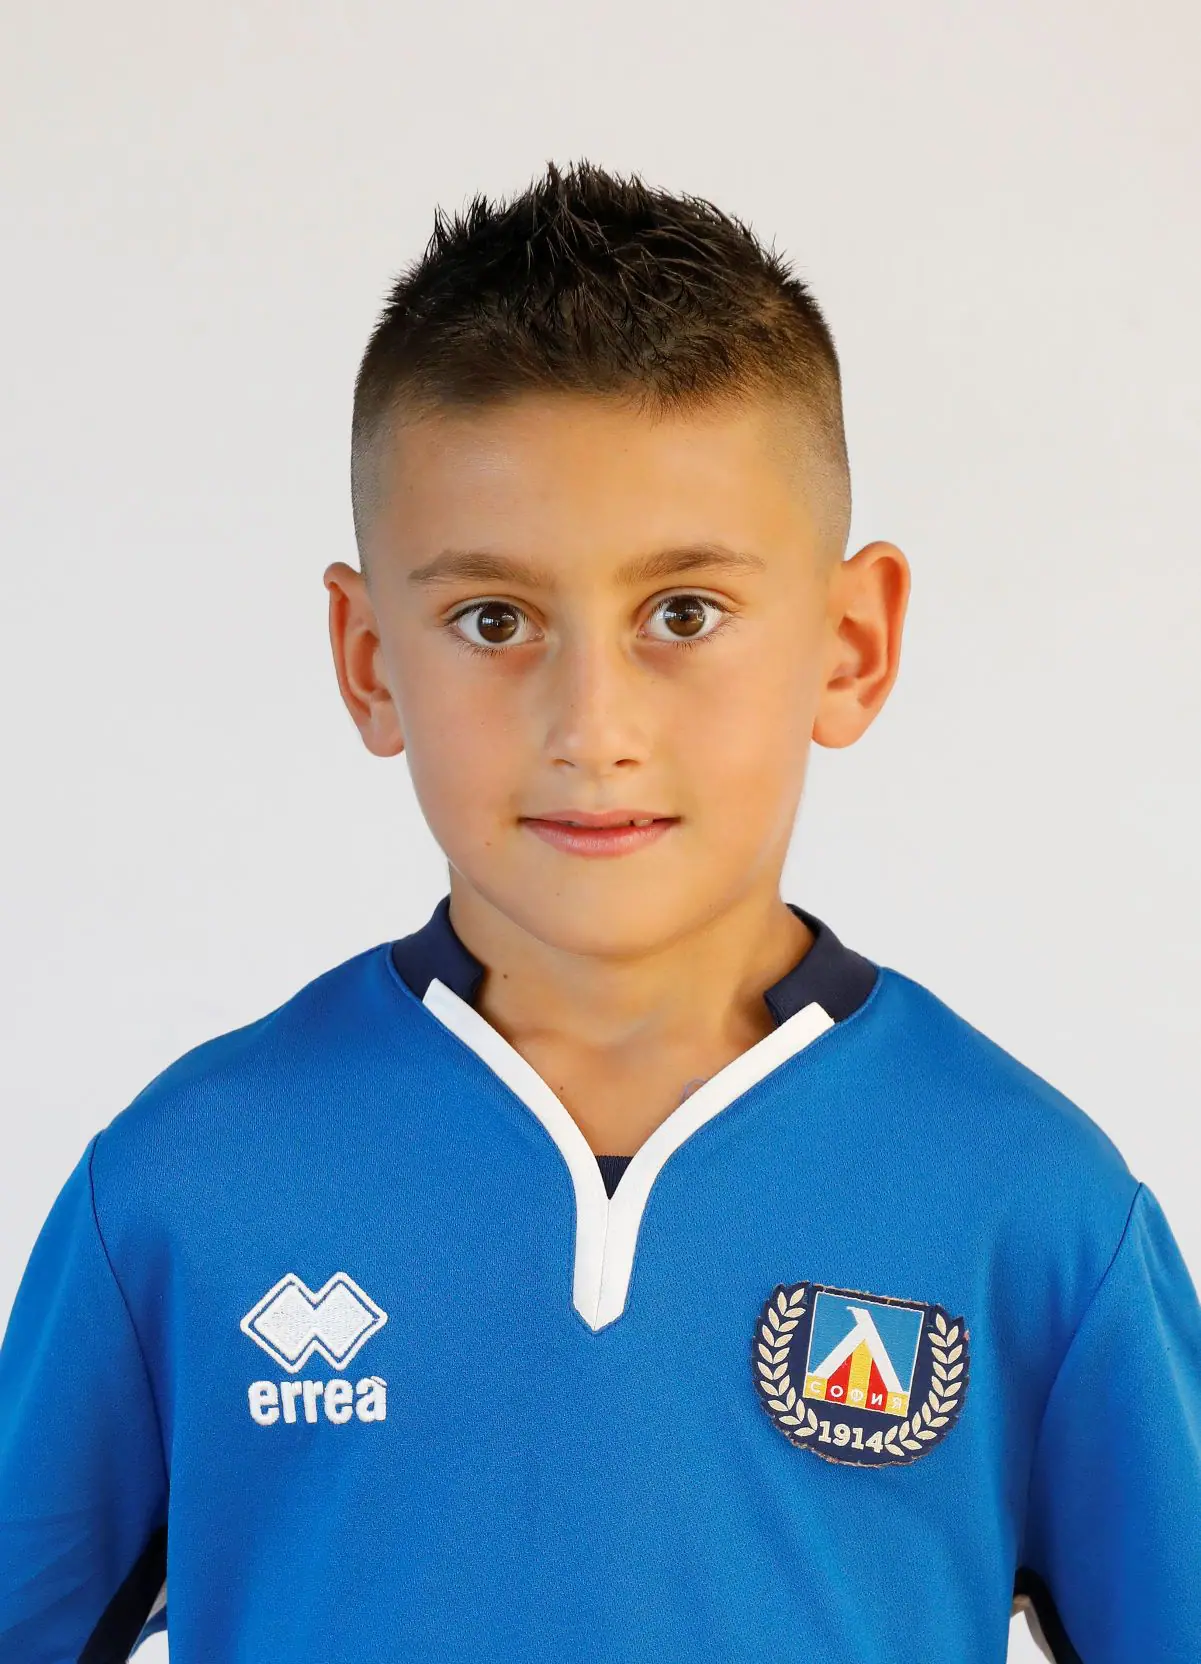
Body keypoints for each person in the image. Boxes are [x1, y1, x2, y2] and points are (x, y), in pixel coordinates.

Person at [1, 158, 1197, 1664]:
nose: (592, 726)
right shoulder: (188, 1182)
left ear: (851, 644)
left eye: (682, 614)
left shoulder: (1032, 1203)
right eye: (493, 619)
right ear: (369, 661)